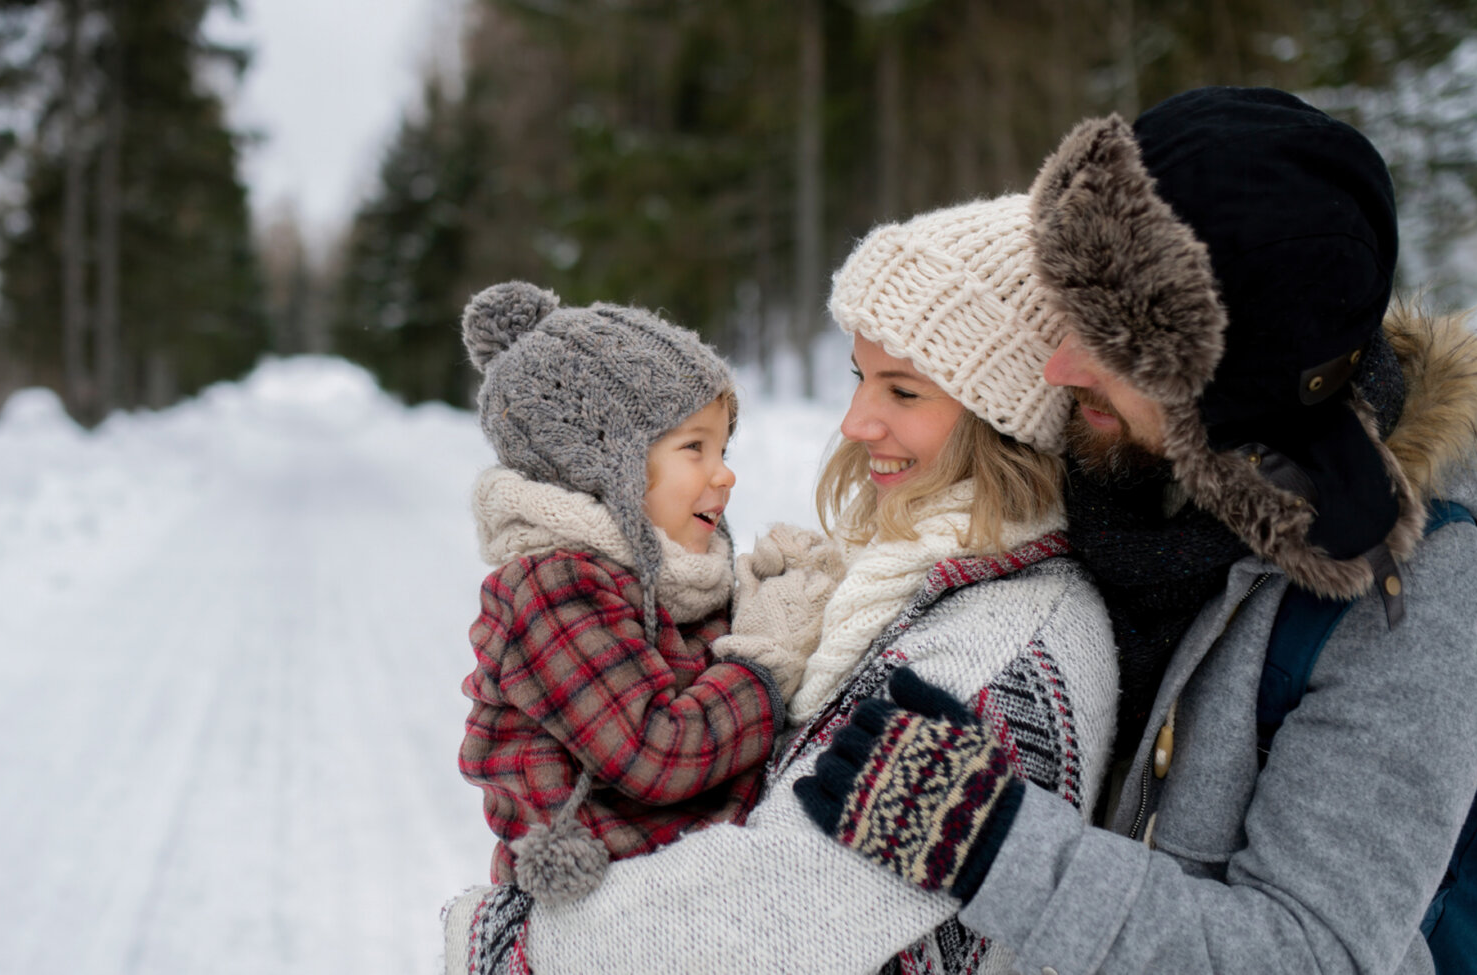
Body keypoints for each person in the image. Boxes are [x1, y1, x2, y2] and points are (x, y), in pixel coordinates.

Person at [793, 87, 1477, 974]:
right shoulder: (1125, 471)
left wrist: (993, 842)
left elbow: (1310, 953)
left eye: (1114, 342)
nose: (1062, 366)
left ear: (1235, 380)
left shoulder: (1423, 597)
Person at [446, 194, 1121, 975]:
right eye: (861, 378)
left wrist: (506, 947)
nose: (856, 420)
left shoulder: (1003, 648)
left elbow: (782, 904)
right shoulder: (896, 571)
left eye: (902, 390)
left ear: (1003, 415)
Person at [453, 283, 832, 905]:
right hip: (612, 915)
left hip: (696, 892)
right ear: (605, 463)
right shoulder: (551, 588)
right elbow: (657, 754)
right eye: (694, 448)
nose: (725, 472)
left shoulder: (678, 576)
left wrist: (778, 593)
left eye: (723, 448)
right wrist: (763, 663)